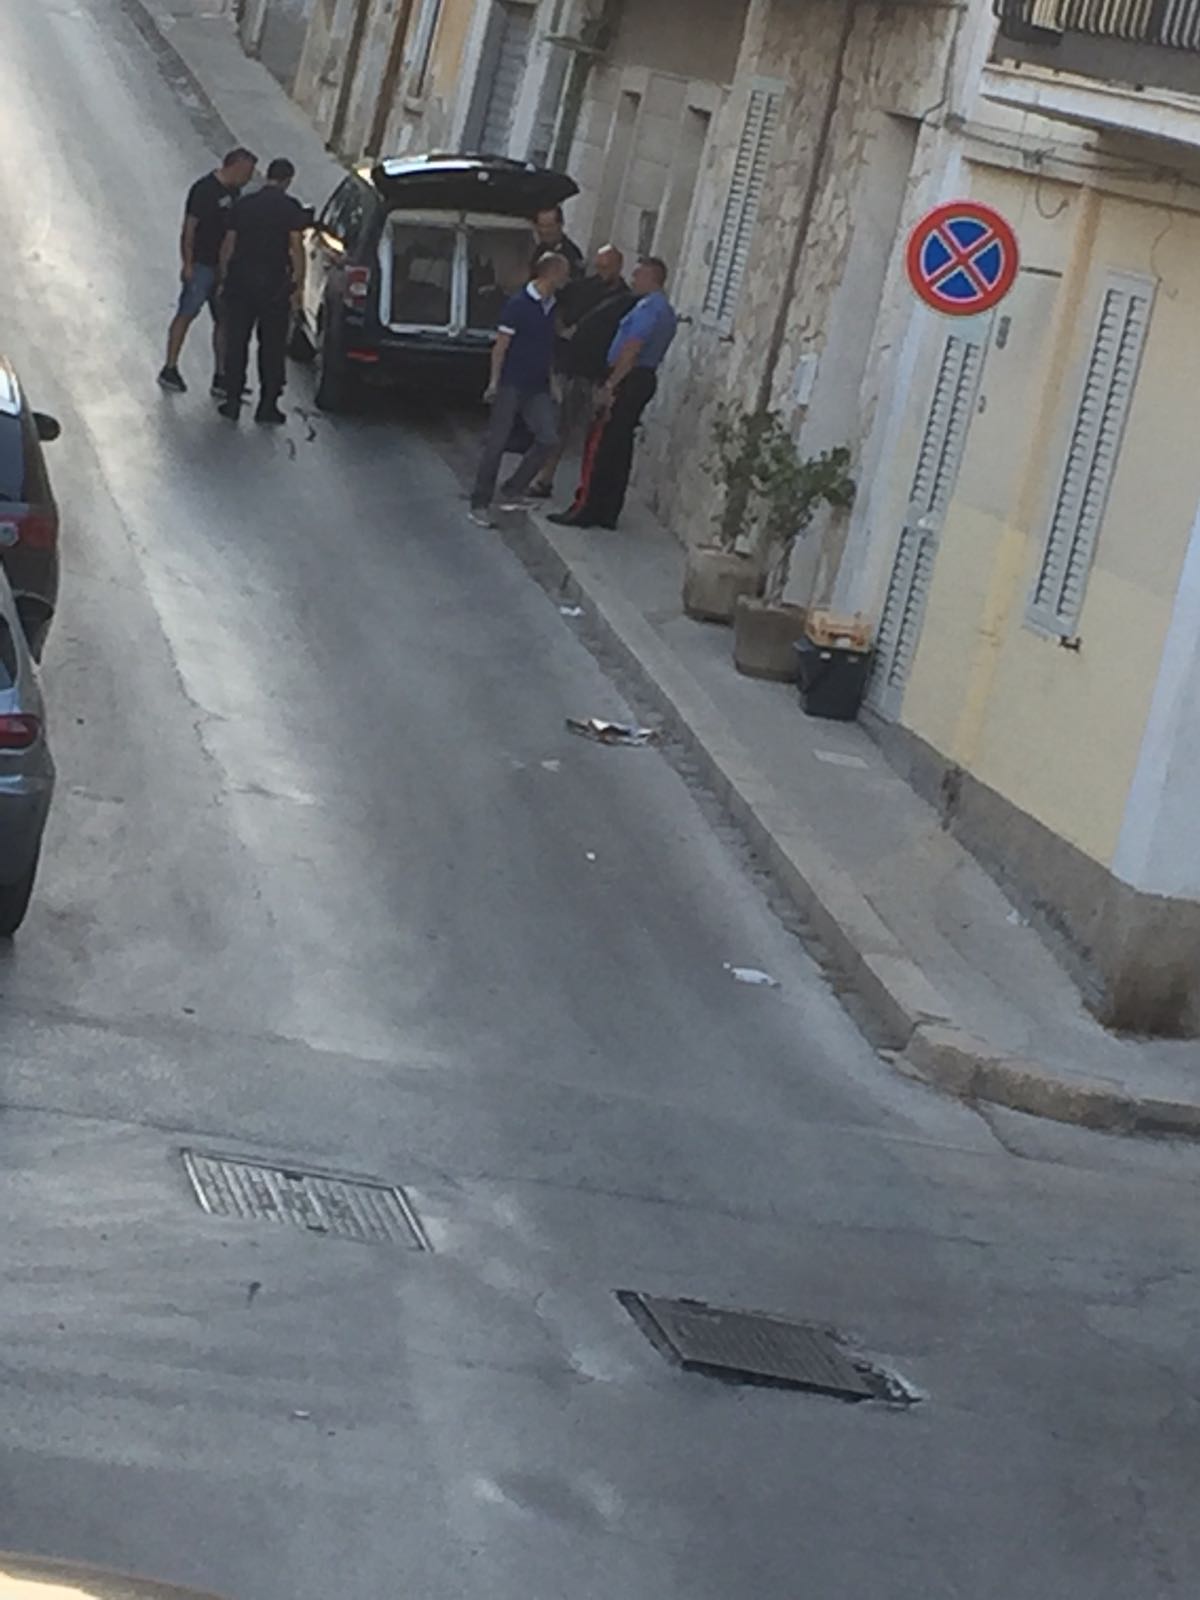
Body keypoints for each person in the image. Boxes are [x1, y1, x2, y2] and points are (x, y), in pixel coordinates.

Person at [549, 256, 678, 531]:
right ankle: (608, 510)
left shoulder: (647, 308)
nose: (633, 281)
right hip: (644, 378)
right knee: (619, 447)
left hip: (627, 378)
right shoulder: (666, 310)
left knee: (600, 445)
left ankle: (586, 507)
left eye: (638, 275)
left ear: (652, 278)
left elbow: (631, 348)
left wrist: (610, 386)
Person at [469, 252, 572, 529]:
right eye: (564, 272)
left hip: (537, 386)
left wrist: (552, 382)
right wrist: (494, 381)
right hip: (512, 383)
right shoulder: (518, 305)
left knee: (548, 438)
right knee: (496, 444)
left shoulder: (551, 307)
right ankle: (479, 503)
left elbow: (547, 346)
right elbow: (500, 346)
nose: (567, 278)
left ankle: (512, 489)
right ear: (550, 273)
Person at [531, 244, 634, 500]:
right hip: (569, 365)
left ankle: (585, 486)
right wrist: (559, 329)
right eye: (598, 266)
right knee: (559, 425)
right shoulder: (582, 287)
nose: (601, 272)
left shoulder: (626, 299)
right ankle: (544, 478)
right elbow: (552, 302)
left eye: (606, 267)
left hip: (597, 372)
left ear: (619, 266)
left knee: (591, 432)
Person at [216, 158, 310, 425]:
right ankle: (268, 405)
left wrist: (224, 278)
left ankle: (232, 400)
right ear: (288, 180)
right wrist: (298, 284)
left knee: (237, 342)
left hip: (241, 282)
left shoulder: (243, 204)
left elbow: (228, 244)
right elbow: (296, 247)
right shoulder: (290, 208)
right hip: (274, 287)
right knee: (272, 347)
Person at [159, 147, 257, 396]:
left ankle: (221, 375)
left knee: (224, 321)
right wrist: (188, 263)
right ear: (233, 166)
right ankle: (170, 367)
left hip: (223, 267)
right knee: (187, 313)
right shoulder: (204, 190)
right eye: (247, 172)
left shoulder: (235, 193)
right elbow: (190, 228)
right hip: (202, 263)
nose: (249, 177)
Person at [529, 207, 583, 280]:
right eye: (541, 226)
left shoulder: (571, 254)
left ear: (560, 225)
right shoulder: (539, 250)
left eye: (549, 226)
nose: (544, 231)